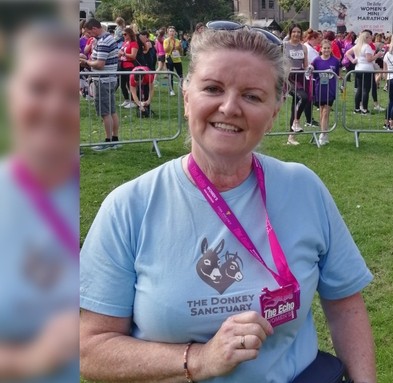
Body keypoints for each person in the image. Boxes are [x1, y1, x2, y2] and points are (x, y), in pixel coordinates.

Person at [80, 28, 376, 383]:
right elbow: (89, 348)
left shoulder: (303, 188)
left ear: (274, 111)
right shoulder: (130, 207)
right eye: (213, 89)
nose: (230, 107)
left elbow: (345, 305)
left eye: (252, 96)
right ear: (187, 96)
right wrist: (199, 360)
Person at [0, 21, 79, 382]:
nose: (54, 108)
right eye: (38, 88)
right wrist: (32, 359)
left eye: (72, 95)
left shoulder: (119, 203)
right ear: (11, 93)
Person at [80, 18, 120, 151]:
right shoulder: (108, 38)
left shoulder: (103, 41)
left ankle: (108, 141)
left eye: (90, 33)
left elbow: (99, 64)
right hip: (110, 79)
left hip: (103, 80)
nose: (89, 36)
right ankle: (115, 139)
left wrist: (87, 63)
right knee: (112, 111)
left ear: (95, 29)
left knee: (105, 112)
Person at [344, 31, 384, 115]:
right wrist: (377, 55)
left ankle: (357, 108)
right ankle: (364, 109)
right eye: (370, 37)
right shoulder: (367, 47)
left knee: (359, 89)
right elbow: (369, 59)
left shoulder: (357, 46)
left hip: (358, 69)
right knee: (366, 90)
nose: (371, 38)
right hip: (366, 69)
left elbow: (347, 53)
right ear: (366, 38)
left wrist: (353, 60)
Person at [311, 39, 341, 146]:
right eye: (324, 48)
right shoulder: (316, 61)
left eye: (328, 48)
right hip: (320, 89)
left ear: (331, 49)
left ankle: (322, 134)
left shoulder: (335, 61)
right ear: (321, 49)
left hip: (330, 89)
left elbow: (338, 74)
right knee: (322, 111)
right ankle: (324, 131)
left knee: (326, 112)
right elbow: (313, 74)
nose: (326, 50)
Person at [283, 23, 309, 145]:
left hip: (300, 77)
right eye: (294, 32)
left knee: (296, 104)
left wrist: (309, 69)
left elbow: (306, 64)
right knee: (302, 97)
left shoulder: (303, 47)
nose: (296, 34)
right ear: (290, 33)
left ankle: (291, 137)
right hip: (289, 78)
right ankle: (296, 122)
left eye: (299, 32)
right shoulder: (284, 46)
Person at [118, 27, 139, 109]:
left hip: (129, 65)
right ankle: (126, 99)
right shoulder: (124, 43)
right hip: (122, 64)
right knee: (121, 83)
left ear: (130, 34)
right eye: (123, 34)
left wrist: (123, 54)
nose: (124, 36)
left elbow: (133, 56)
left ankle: (133, 100)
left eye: (125, 34)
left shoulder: (134, 43)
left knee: (129, 84)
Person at [164, 26, 183, 96]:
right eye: (170, 31)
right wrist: (169, 43)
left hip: (177, 59)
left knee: (180, 75)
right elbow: (166, 50)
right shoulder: (166, 40)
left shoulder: (177, 41)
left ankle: (181, 88)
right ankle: (171, 90)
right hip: (169, 59)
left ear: (175, 33)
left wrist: (180, 47)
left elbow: (181, 52)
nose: (172, 33)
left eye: (173, 31)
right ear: (168, 33)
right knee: (170, 75)